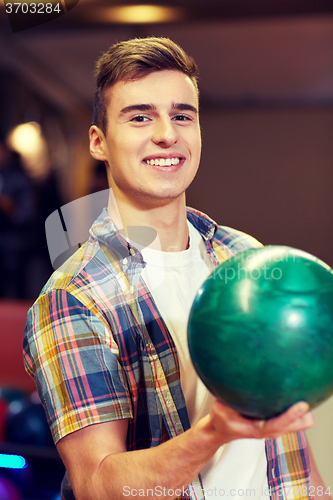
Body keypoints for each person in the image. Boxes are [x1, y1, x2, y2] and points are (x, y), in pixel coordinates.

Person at [23, 37, 329, 500]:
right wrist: (216, 431)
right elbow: (99, 487)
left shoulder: (245, 257)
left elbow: (299, 444)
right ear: (99, 142)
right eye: (141, 116)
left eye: (183, 115)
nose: (167, 133)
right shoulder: (72, 299)